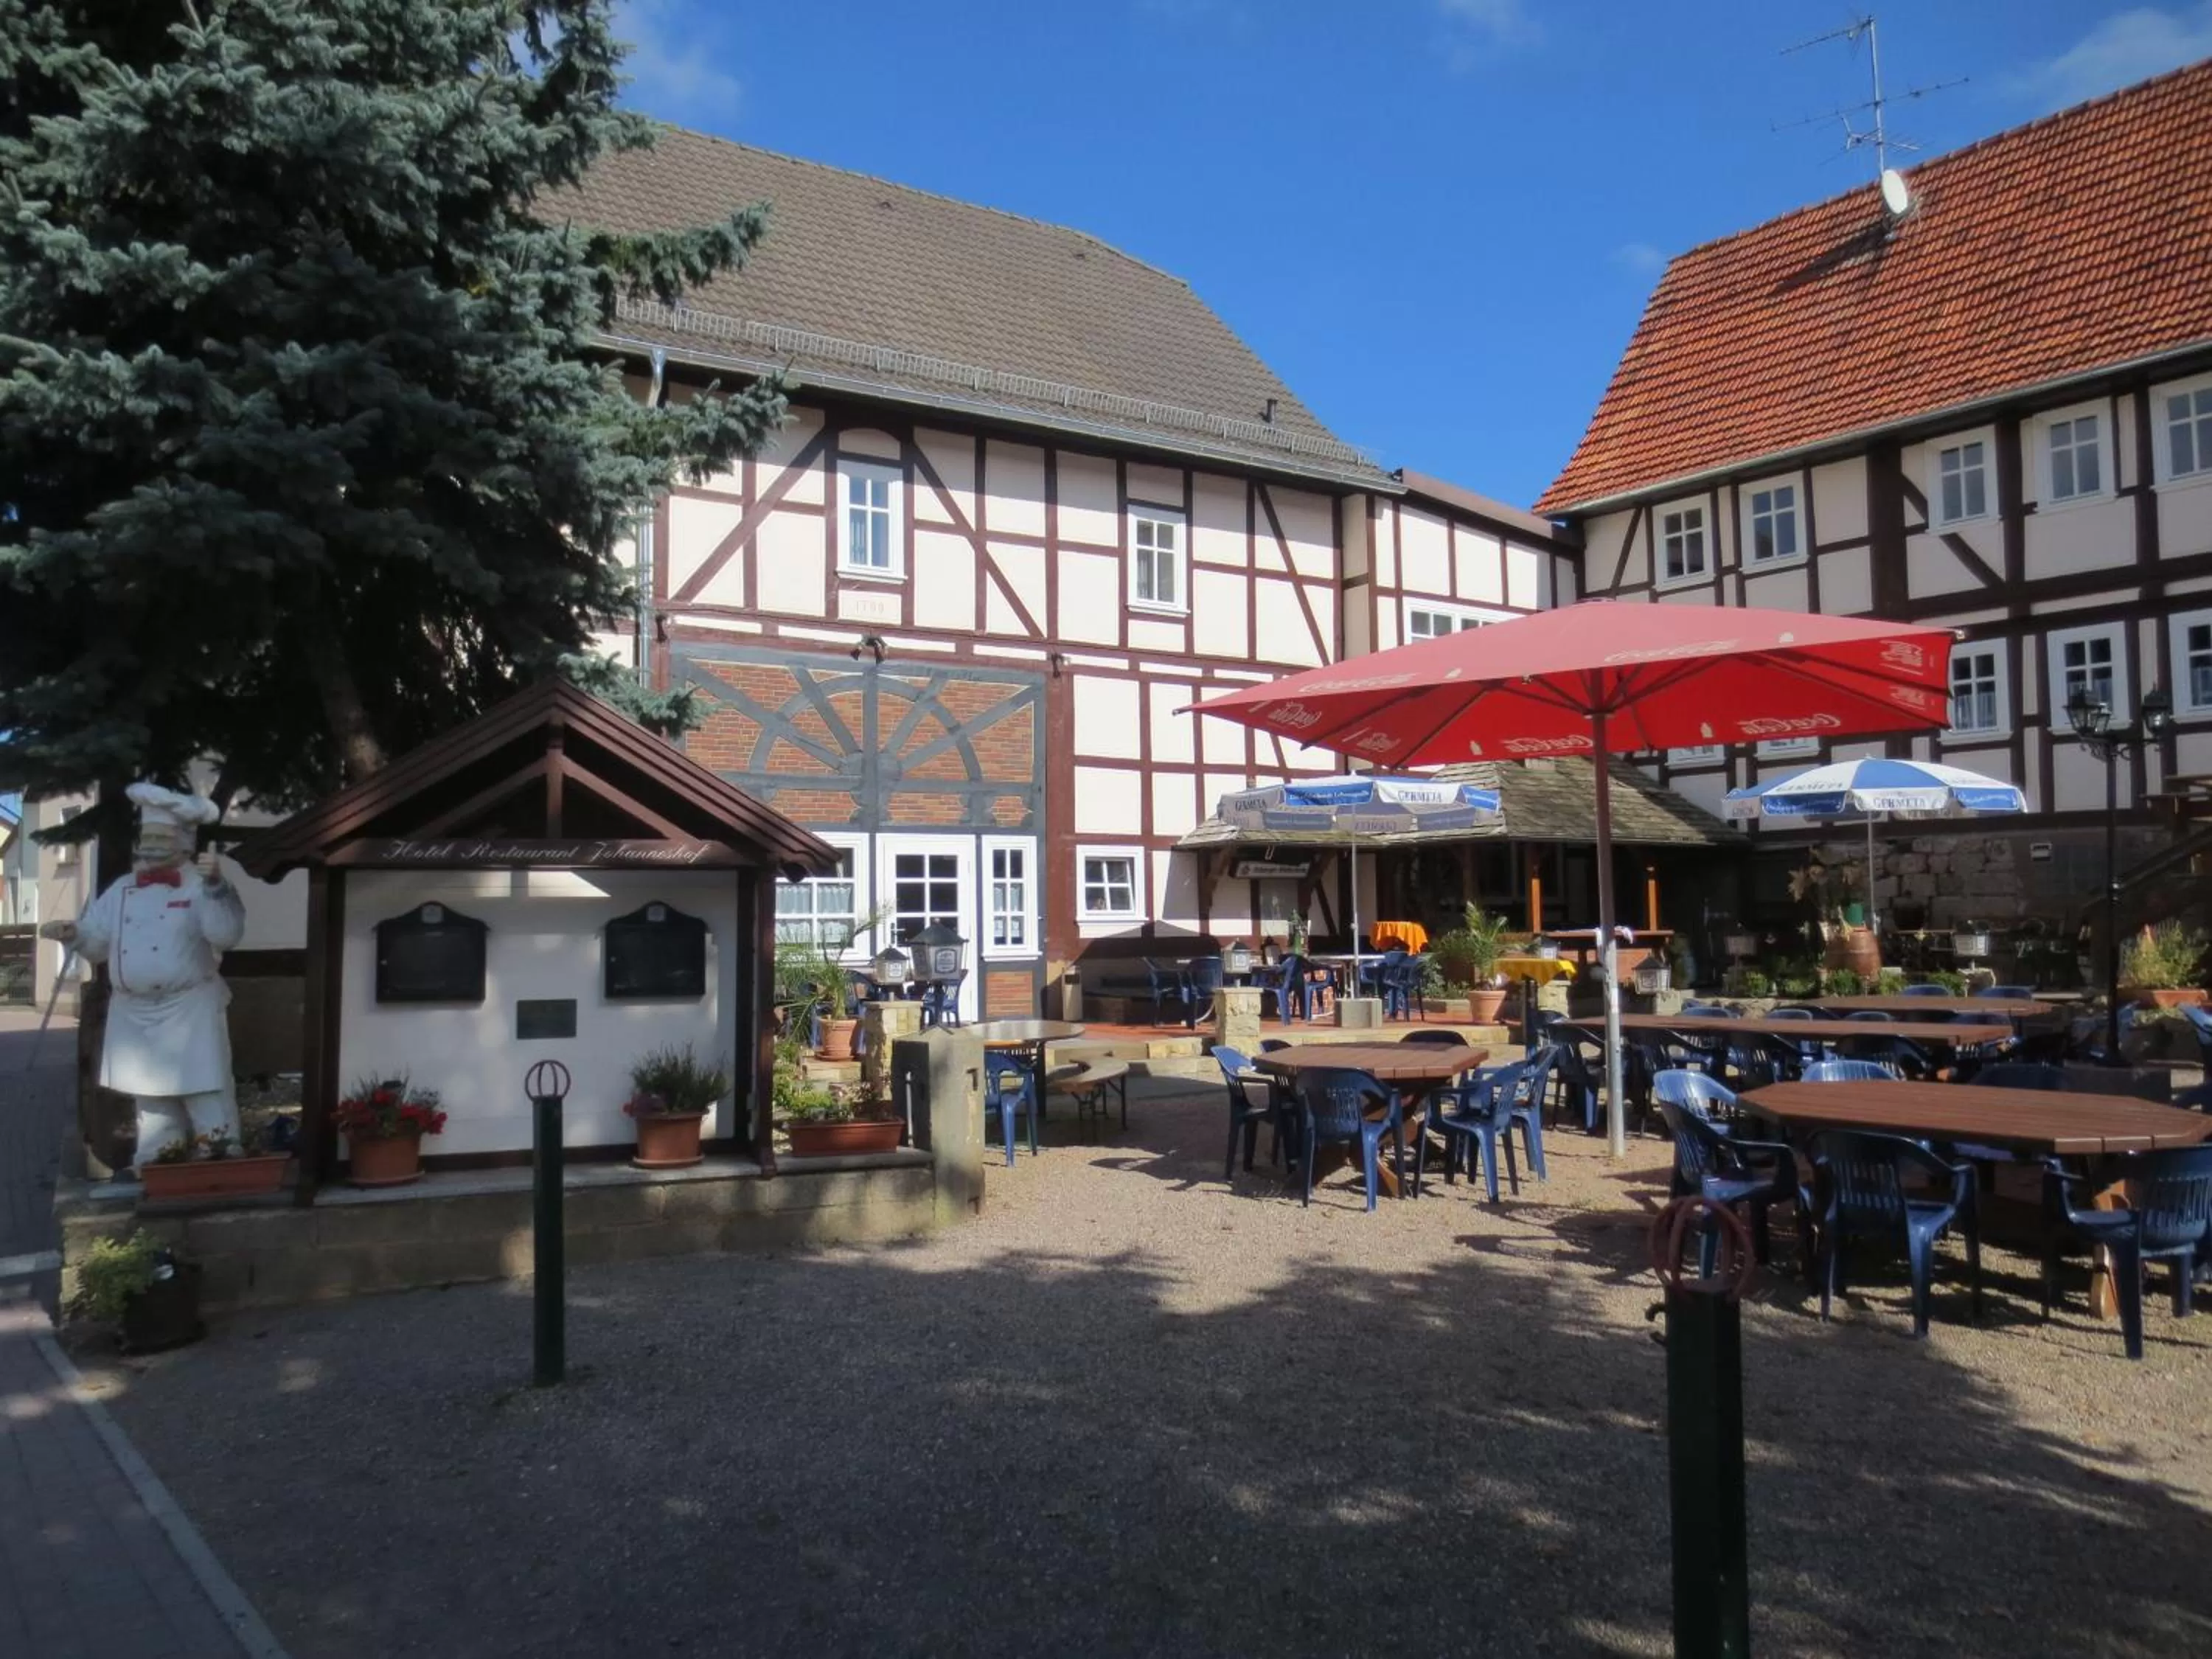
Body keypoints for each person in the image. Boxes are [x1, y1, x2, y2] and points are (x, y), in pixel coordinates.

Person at [40, 783, 246, 1169]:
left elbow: (226, 935)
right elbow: (98, 942)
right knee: (151, 1104)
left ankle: (219, 1167)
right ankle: (156, 1166)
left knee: (206, 1093)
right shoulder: (122, 889)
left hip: (189, 1009)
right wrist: (75, 934)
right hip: (134, 1013)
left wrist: (218, 887)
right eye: (146, 838)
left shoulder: (200, 885)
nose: (150, 847)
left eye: (160, 838)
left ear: (185, 842)